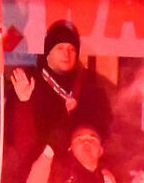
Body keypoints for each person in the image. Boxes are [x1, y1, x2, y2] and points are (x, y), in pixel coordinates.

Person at [7, 21, 112, 154]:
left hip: (81, 165)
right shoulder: (27, 82)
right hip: (40, 164)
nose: (66, 54)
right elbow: (13, 137)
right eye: (60, 48)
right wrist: (23, 101)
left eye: (71, 49)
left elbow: (106, 130)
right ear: (48, 53)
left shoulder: (91, 84)